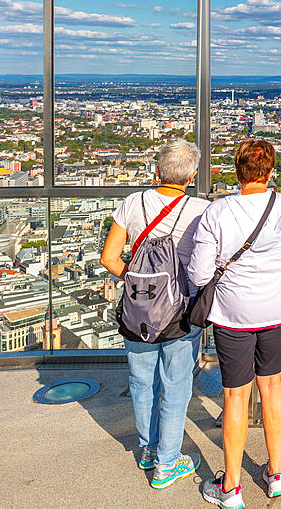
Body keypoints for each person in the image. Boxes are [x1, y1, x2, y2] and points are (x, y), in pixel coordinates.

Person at [189, 138, 281, 508]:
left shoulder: (217, 212)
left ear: (237, 171)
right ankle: (277, 473)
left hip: (233, 314)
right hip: (278, 309)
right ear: (270, 171)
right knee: (273, 386)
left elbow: (201, 273)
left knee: (236, 395)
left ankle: (231, 488)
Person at [100, 138, 209, 489]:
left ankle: (148, 449)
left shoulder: (132, 203)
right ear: (191, 176)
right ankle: (167, 463)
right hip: (181, 310)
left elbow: (109, 258)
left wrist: (135, 280)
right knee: (176, 386)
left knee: (141, 380)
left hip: (137, 308)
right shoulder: (200, 210)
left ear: (156, 170)